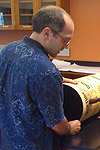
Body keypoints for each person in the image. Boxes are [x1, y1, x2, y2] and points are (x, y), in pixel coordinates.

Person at [0, 5, 81, 150]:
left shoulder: (7, 50)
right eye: (65, 40)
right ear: (47, 33)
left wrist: (57, 81)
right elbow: (57, 124)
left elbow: (18, 79)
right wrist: (70, 127)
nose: (65, 46)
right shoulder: (47, 72)